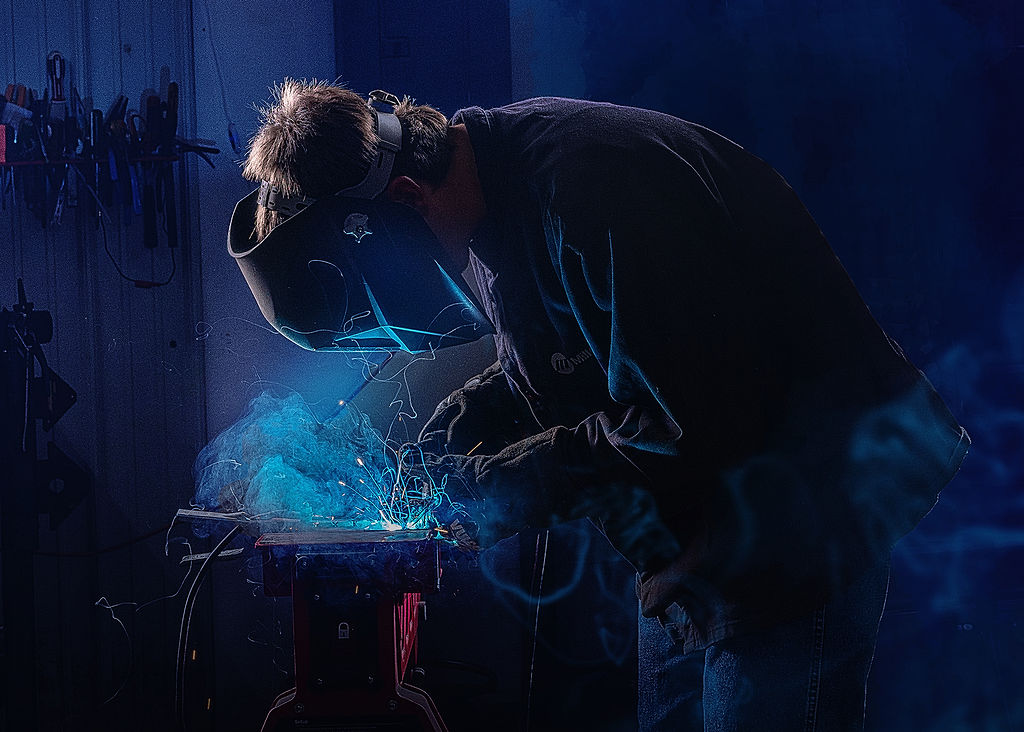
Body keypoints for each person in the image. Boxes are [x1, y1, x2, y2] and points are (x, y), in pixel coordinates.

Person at [237, 79, 970, 730]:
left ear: (404, 199)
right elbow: (565, 358)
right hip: (701, 532)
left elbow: (678, 425)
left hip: (800, 508)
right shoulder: (495, 198)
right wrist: (451, 435)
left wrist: (492, 487)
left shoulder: (592, 187)